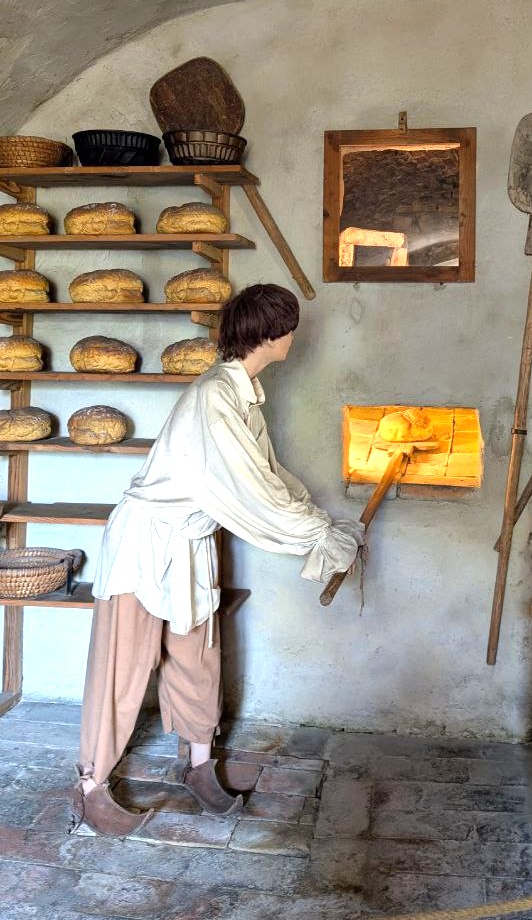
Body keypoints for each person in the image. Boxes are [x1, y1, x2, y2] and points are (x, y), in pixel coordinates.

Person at [72, 283, 365, 836]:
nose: (295, 337)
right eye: (291, 328)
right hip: (147, 542)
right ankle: (90, 788)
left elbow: (269, 474)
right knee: (123, 665)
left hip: (189, 542)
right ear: (273, 335)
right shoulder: (214, 397)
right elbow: (250, 491)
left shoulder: (243, 394)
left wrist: (317, 520)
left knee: (197, 657)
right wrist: (316, 535)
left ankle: (198, 766)